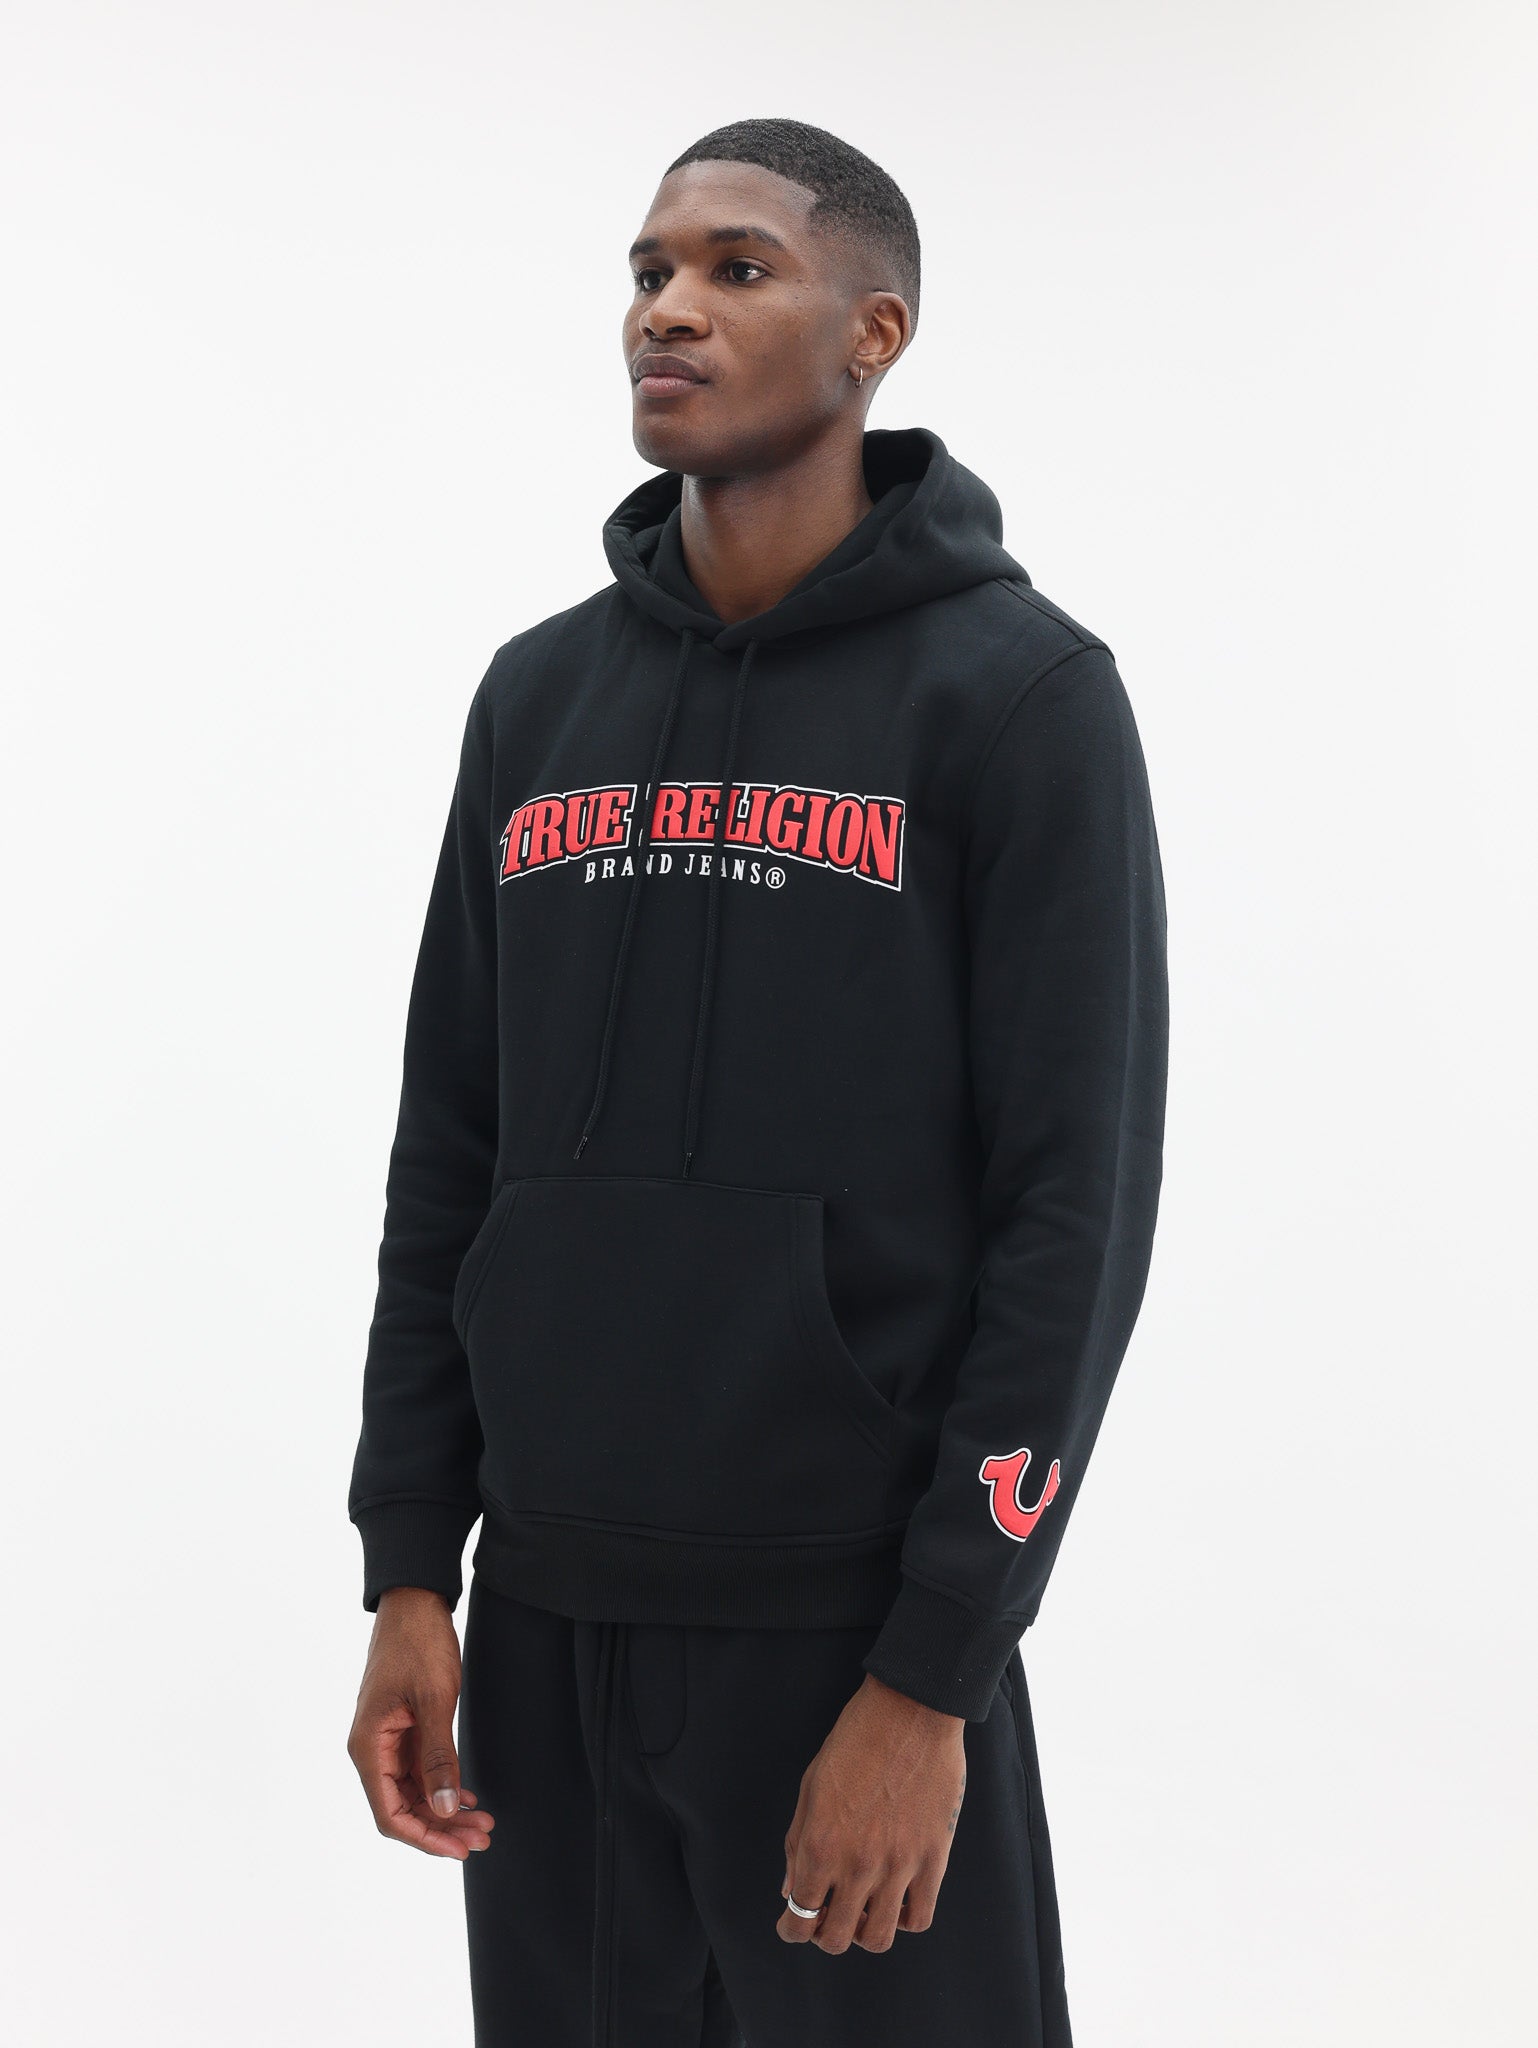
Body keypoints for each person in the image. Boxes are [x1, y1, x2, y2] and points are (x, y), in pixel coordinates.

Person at [345, 115, 1168, 2048]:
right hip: (542, 1636)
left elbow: (1072, 1215)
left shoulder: (1020, 699)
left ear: (875, 332)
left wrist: (934, 1672)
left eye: (736, 268)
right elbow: (446, 1149)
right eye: (647, 271)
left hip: (845, 1640)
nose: (670, 310)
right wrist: (410, 1563)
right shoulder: (536, 698)